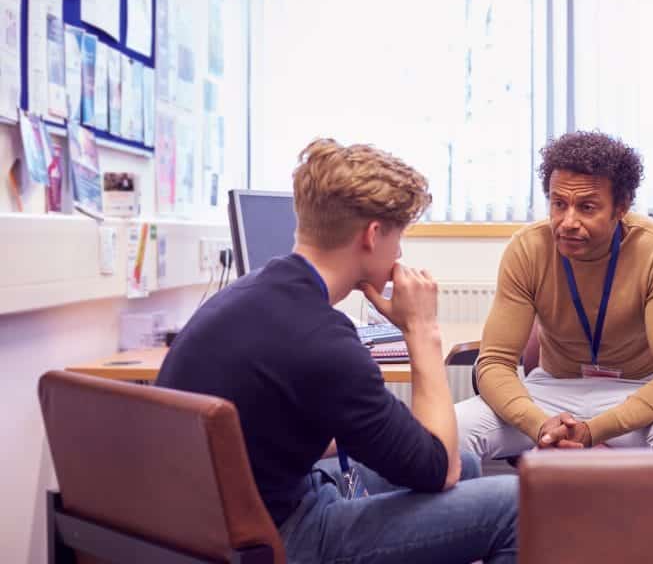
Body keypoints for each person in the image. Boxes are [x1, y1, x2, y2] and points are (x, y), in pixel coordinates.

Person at [157, 138, 517, 564]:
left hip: (210, 525)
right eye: (399, 237)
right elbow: (440, 471)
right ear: (373, 234)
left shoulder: (249, 293)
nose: (400, 253)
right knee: (517, 502)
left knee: (471, 464)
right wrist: (422, 329)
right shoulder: (323, 341)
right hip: (279, 539)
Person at [456, 131, 653, 458]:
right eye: (559, 204)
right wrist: (540, 424)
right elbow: (494, 363)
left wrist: (593, 431)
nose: (568, 222)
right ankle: (480, 511)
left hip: (637, 391)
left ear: (621, 207)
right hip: (551, 391)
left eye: (587, 207)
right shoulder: (528, 248)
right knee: (453, 430)